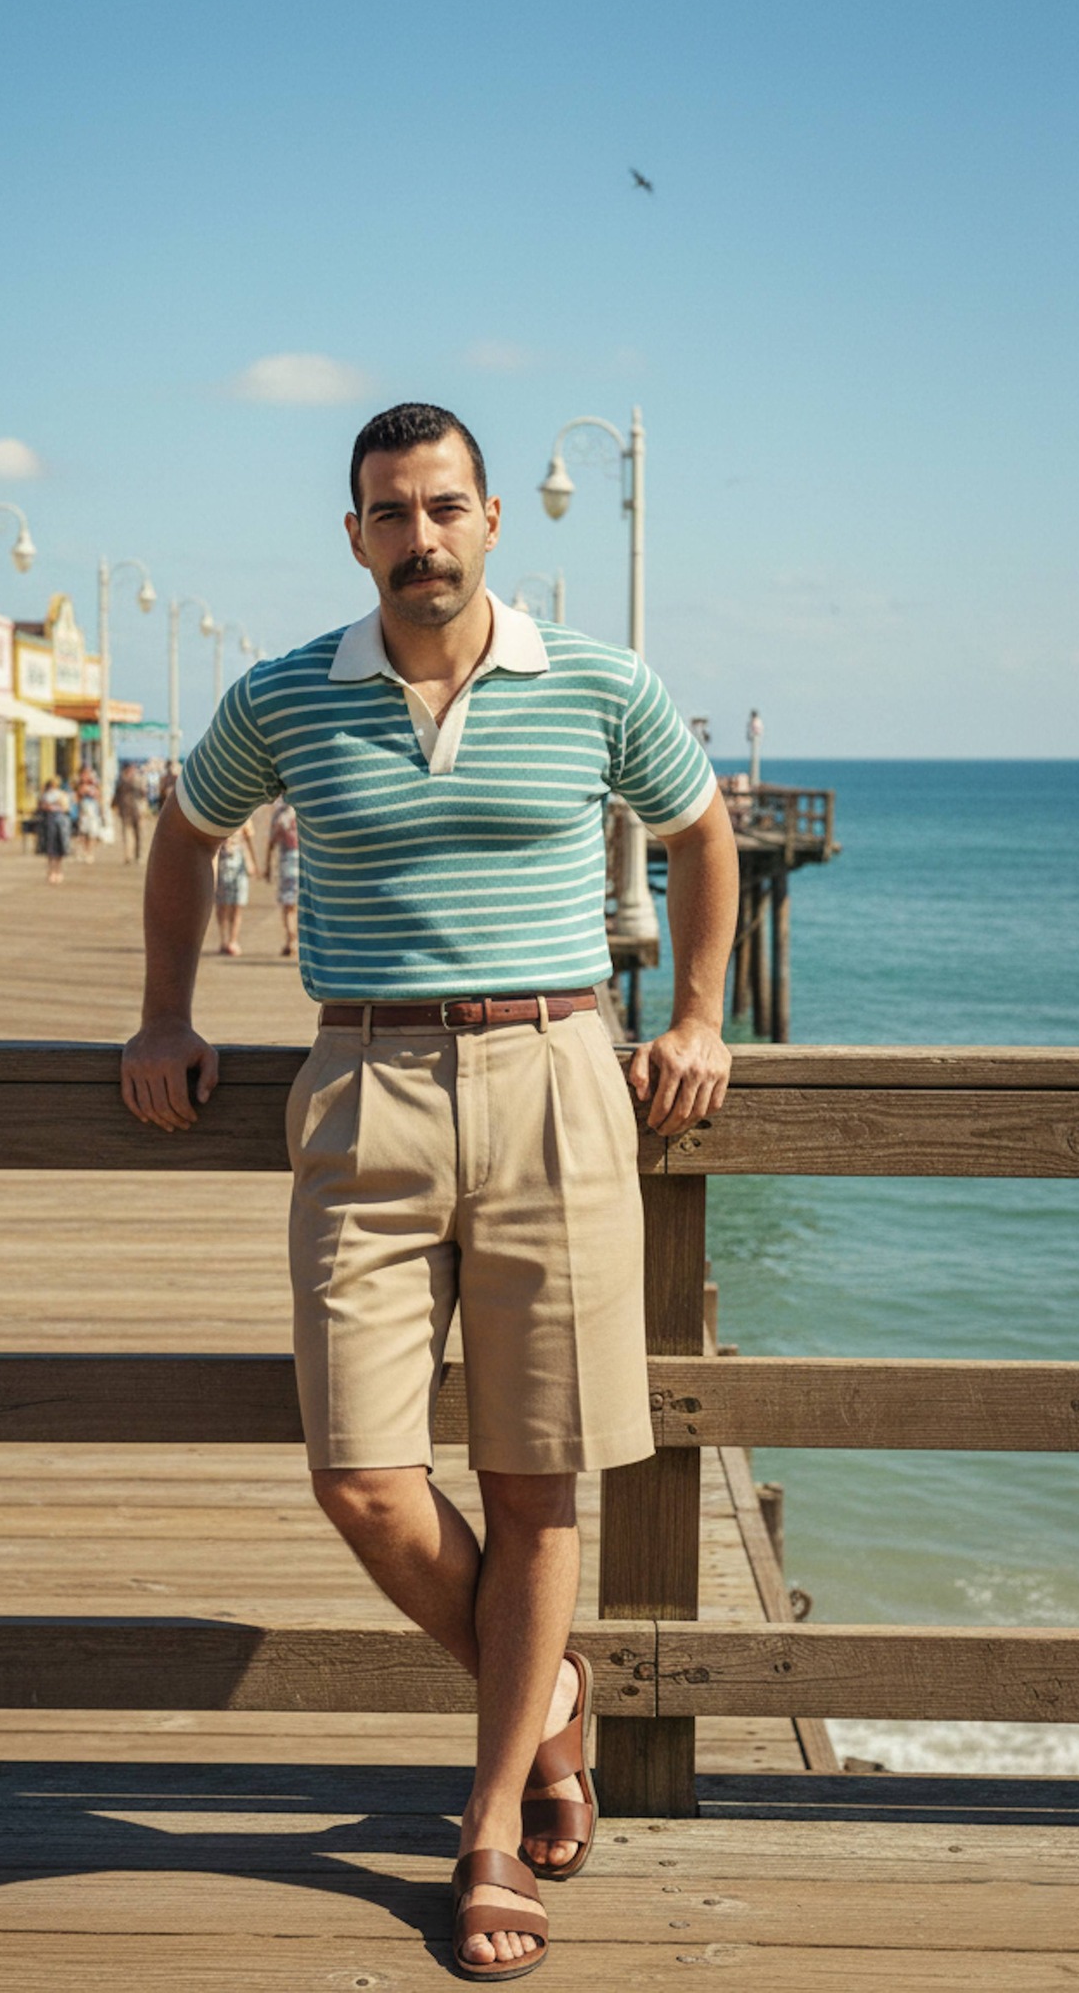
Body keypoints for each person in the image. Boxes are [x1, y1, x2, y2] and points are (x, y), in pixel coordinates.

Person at [122, 402, 739, 1980]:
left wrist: (692, 1016)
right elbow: (183, 836)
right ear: (353, 535)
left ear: (487, 522)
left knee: (538, 1486)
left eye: (444, 508)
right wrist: (166, 1013)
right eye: (388, 514)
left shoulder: (593, 679)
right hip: (362, 1082)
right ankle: (550, 1701)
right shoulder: (285, 696)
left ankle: (480, 1829)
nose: (420, 538)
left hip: (552, 1075)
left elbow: (695, 830)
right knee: (359, 1476)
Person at [212, 820, 257, 955]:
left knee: (238, 904)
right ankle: (224, 939)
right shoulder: (218, 817)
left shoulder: (246, 817)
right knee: (222, 905)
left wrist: (252, 862)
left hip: (239, 863)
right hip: (221, 863)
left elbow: (249, 841)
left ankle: (233, 940)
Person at [265, 795, 300, 957]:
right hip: (303, 864)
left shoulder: (279, 816)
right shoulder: (303, 813)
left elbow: (271, 843)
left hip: (286, 863)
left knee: (288, 905)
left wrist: (268, 867)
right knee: (299, 906)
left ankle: (290, 940)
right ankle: (295, 939)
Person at [36, 774, 73, 884]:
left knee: (59, 848)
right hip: (49, 822)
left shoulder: (62, 795)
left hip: (59, 823)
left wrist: (55, 805)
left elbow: (66, 808)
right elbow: (40, 807)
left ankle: (57, 871)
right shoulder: (45, 795)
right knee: (50, 848)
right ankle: (52, 871)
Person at [114, 763, 147, 864]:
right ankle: (128, 855)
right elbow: (117, 795)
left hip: (137, 810)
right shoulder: (121, 780)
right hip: (126, 810)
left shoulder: (138, 780)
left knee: (139, 834)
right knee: (127, 833)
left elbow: (144, 794)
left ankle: (138, 855)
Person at [73, 766, 102, 864]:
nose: (87, 776)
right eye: (85, 774)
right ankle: (84, 852)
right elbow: (76, 798)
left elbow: (99, 796)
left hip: (93, 811)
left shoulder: (95, 785)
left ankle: (90, 853)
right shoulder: (78, 785)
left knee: (92, 833)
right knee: (83, 833)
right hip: (83, 812)